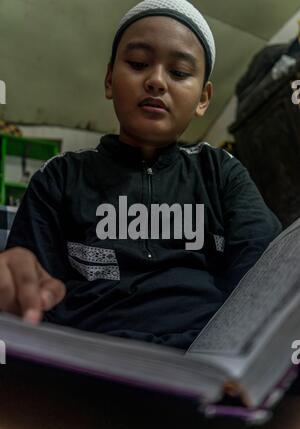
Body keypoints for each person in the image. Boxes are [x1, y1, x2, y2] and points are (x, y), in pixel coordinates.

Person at [0, 0, 282, 349]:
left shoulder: (222, 173)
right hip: (85, 363)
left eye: (179, 72)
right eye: (137, 64)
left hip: (205, 358)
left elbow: (264, 276)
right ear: (108, 80)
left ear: (203, 99)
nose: (156, 81)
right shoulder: (59, 178)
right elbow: (30, 293)